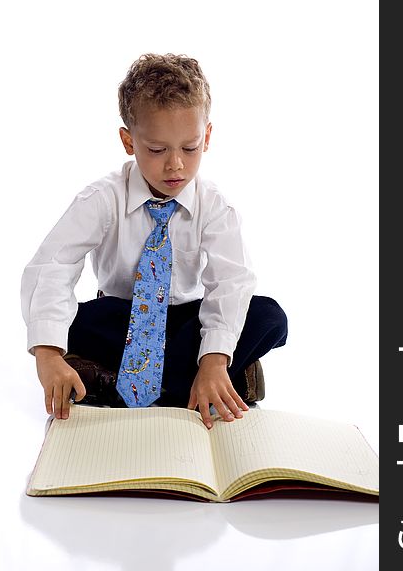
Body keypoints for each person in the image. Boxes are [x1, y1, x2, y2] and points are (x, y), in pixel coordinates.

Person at [21, 53, 288, 430]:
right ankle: (221, 379)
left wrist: (212, 358)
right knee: (76, 323)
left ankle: (124, 384)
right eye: (158, 150)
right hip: (123, 317)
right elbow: (52, 267)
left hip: (188, 321)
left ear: (207, 137)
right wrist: (48, 356)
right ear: (129, 141)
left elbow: (230, 282)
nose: (175, 164)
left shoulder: (215, 207)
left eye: (190, 148)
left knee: (269, 316)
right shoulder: (102, 199)